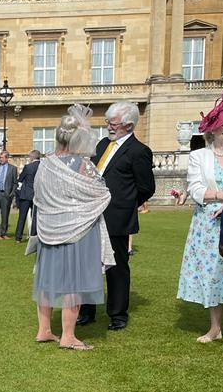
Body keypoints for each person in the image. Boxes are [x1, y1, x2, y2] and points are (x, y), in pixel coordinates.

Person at [29, 105, 115, 350]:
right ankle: (68, 336)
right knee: (73, 282)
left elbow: (39, 196)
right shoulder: (83, 164)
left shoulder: (45, 163)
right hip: (78, 228)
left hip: (49, 227)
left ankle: (44, 330)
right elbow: (102, 192)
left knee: (47, 280)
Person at [77, 101, 155, 331]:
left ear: (129, 125)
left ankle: (118, 314)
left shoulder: (139, 151)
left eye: (114, 123)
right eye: (107, 122)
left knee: (117, 267)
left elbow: (146, 187)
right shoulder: (101, 144)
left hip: (117, 218)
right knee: (88, 265)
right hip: (90, 215)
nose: (109, 127)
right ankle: (87, 310)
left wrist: (124, 205)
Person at [178, 95, 223, 347]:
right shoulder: (199, 156)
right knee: (211, 275)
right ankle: (214, 328)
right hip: (207, 225)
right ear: (213, 129)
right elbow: (196, 189)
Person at [0, 150, 18, 240]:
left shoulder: (13, 168)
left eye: (2, 157)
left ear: (7, 158)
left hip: (6, 194)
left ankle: (3, 233)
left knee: (5, 214)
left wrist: (11, 194)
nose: (0, 159)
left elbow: (15, 183)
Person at [15, 150, 41, 242]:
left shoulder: (28, 167)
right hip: (38, 195)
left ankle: (18, 237)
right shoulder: (43, 166)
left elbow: (21, 178)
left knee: (22, 217)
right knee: (35, 217)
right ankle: (34, 236)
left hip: (26, 194)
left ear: (32, 157)